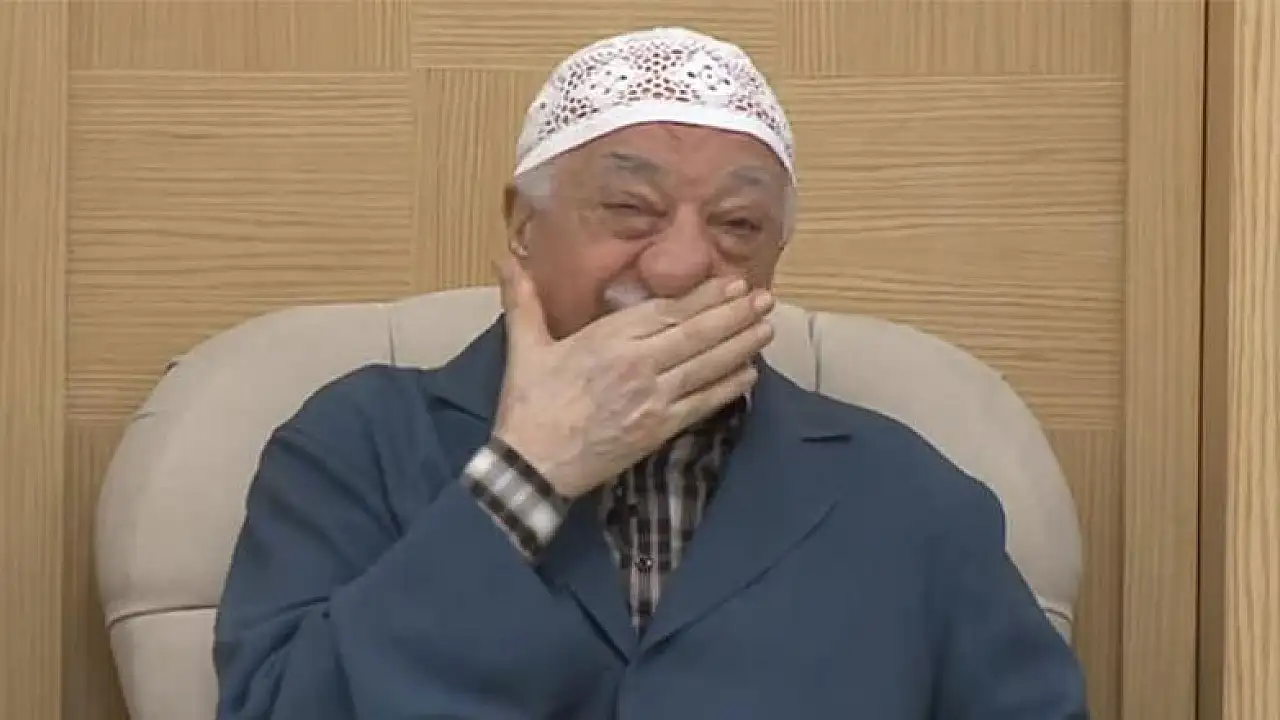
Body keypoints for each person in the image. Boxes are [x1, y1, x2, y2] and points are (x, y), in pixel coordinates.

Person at [213, 26, 1090, 720]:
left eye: (738, 226)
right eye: (631, 209)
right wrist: (527, 476)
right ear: (523, 224)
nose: (679, 267)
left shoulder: (910, 499)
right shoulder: (358, 444)